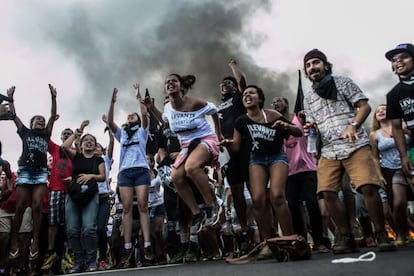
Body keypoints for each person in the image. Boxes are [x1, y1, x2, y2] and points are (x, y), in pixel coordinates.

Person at [302, 48, 395, 253]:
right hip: (328, 149)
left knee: (368, 187)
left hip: (355, 144)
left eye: (316, 63)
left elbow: (364, 106)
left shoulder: (343, 82)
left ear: (325, 66)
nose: (312, 68)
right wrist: (311, 128)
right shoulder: (308, 98)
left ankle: (380, 233)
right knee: (327, 192)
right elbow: (313, 124)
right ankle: (345, 236)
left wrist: (353, 125)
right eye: (308, 65)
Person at [223, 85, 302, 258]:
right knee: (258, 200)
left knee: (277, 196)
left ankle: (290, 240)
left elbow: (299, 132)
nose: (247, 95)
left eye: (251, 93)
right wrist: (228, 143)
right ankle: (269, 243)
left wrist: (286, 126)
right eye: (244, 94)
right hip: (256, 159)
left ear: (259, 99)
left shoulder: (272, 115)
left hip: (276, 157)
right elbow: (236, 146)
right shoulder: (241, 121)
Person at [162, 73, 223, 259]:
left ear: (181, 86)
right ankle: (197, 213)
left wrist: (219, 135)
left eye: (174, 81)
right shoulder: (167, 108)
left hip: (206, 140)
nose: (170, 83)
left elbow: (214, 112)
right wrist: (148, 108)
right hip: (186, 146)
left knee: (191, 168)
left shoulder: (195, 103)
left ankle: (212, 207)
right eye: (167, 82)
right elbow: (164, 121)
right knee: (176, 177)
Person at [7, 84, 57, 262]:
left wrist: (53, 97)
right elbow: (14, 116)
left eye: (42, 121)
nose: (42, 122)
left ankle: (35, 242)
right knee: (20, 207)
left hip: (41, 173)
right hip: (26, 171)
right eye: (38, 120)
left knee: (37, 205)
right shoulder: (25, 132)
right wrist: (11, 99)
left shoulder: (46, 135)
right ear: (31, 124)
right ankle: (14, 241)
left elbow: (52, 116)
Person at [272, 96, 329, 253]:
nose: (276, 103)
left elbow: (313, 131)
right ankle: (301, 241)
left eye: (279, 101)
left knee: (311, 202)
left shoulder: (299, 117)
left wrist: (307, 120)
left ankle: (320, 241)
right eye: (274, 102)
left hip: (308, 167)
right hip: (288, 172)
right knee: (293, 206)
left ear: (287, 103)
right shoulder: (273, 124)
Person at [107, 84, 154, 268]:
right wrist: (112, 102)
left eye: (132, 116)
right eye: (128, 117)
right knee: (126, 208)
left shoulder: (142, 132)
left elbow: (144, 115)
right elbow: (110, 122)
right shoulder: (122, 134)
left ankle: (147, 244)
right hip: (125, 172)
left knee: (142, 205)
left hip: (141, 170)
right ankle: (127, 247)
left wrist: (138, 97)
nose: (130, 117)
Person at [217, 59, 252, 254]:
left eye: (227, 83)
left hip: (245, 146)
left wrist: (232, 66)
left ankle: (265, 231)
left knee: (254, 188)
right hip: (227, 151)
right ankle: (245, 231)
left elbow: (242, 83)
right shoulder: (218, 108)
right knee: (236, 191)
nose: (224, 85)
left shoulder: (239, 98)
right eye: (222, 84)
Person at [62, 120, 105, 272]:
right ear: (81, 144)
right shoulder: (76, 156)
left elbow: (103, 177)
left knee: (89, 229)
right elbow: (64, 146)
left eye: (92, 141)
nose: (88, 142)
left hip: (91, 195)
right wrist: (77, 133)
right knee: (73, 230)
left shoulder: (98, 159)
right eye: (86, 140)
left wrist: (90, 176)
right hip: (73, 196)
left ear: (95, 145)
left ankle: (91, 260)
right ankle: (78, 261)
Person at [384, 43, 414, 243]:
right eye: (394, 60)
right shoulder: (393, 94)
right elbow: (396, 128)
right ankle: (402, 235)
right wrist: (404, 157)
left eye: (404, 57)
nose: (398, 61)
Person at [40, 127, 74, 271]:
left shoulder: (75, 152)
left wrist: (73, 178)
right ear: (61, 137)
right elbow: (46, 137)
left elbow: (81, 168)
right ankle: (50, 251)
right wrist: (52, 120)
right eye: (64, 133)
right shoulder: (55, 149)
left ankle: (70, 251)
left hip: (71, 192)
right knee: (53, 222)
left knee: (69, 224)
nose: (66, 135)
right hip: (55, 189)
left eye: (69, 134)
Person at [95, 115, 114, 270]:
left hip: (104, 199)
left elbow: (112, 143)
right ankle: (89, 258)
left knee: (101, 228)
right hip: (89, 199)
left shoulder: (105, 161)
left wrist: (109, 129)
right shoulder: (85, 161)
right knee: (89, 229)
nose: (95, 149)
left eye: (98, 148)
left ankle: (102, 257)